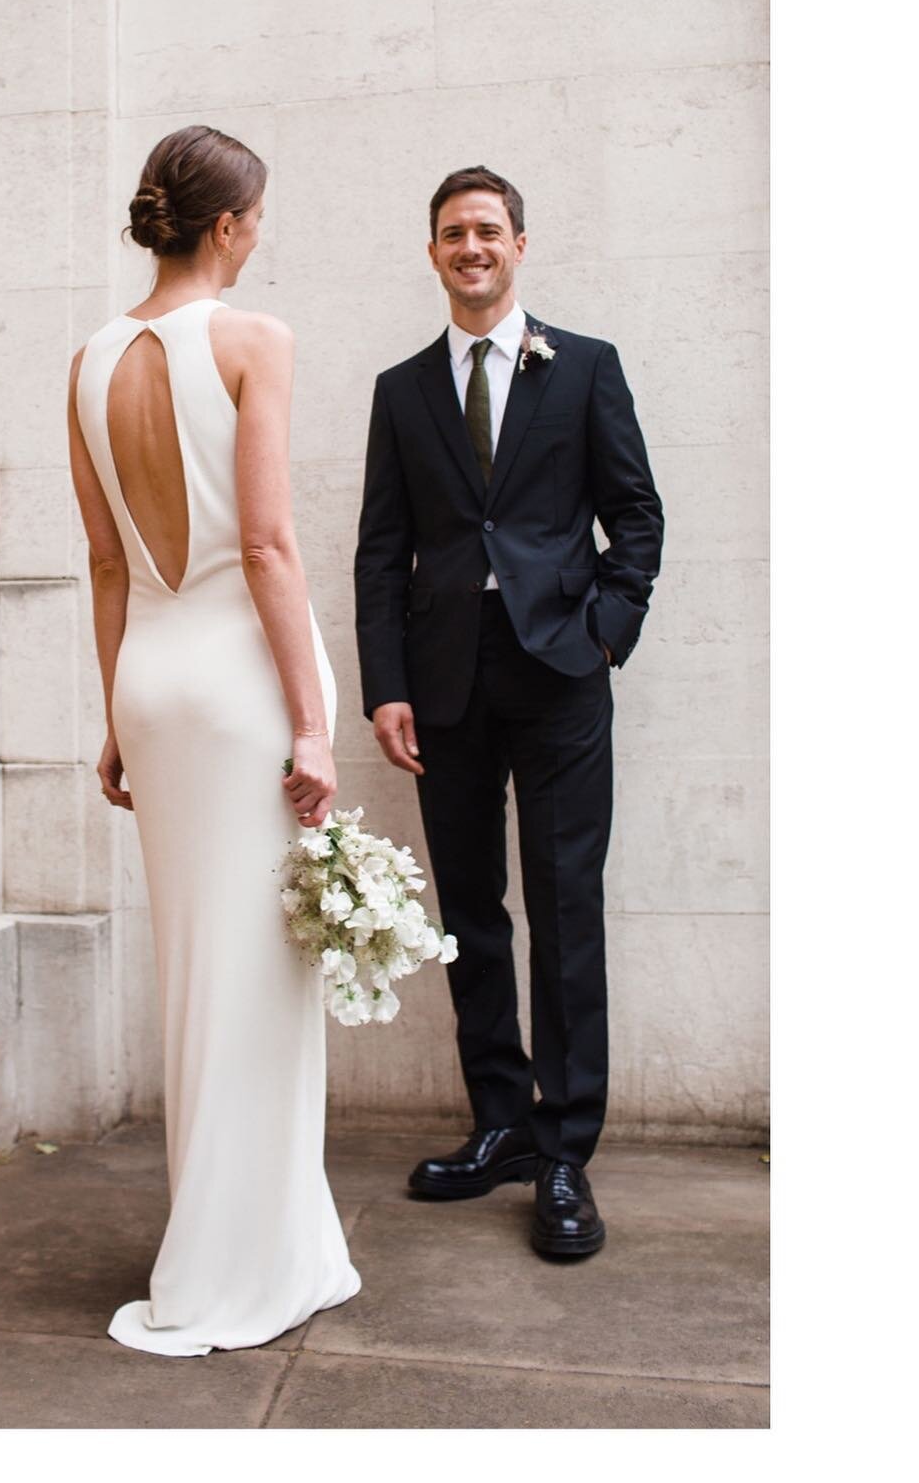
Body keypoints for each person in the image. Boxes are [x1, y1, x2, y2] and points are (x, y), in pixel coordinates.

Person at [68, 124, 361, 1354]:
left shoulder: (85, 359)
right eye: (261, 216)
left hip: (150, 679)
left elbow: (101, 561)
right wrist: (309, 722)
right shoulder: (252, 338)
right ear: (230, 223)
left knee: (201, 964)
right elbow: (266, 545)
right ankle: (242, 1261)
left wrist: (112, 719)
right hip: (240, 681)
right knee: (258, 973)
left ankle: (242, 1234)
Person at [354, 166, 663, 1258]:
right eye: (451, 234)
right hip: (443, 682)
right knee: (469, 911)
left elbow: (633, 515)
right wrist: (384, 685)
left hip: (559, 669)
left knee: (564, 904)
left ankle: (565, 1152)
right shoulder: (400, 391)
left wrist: (603, 633)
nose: (470, 248)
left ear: (518, 244)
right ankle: (500, 1125)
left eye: (487, 230)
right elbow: (380, 551)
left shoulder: (582, 367)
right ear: (431, 252)